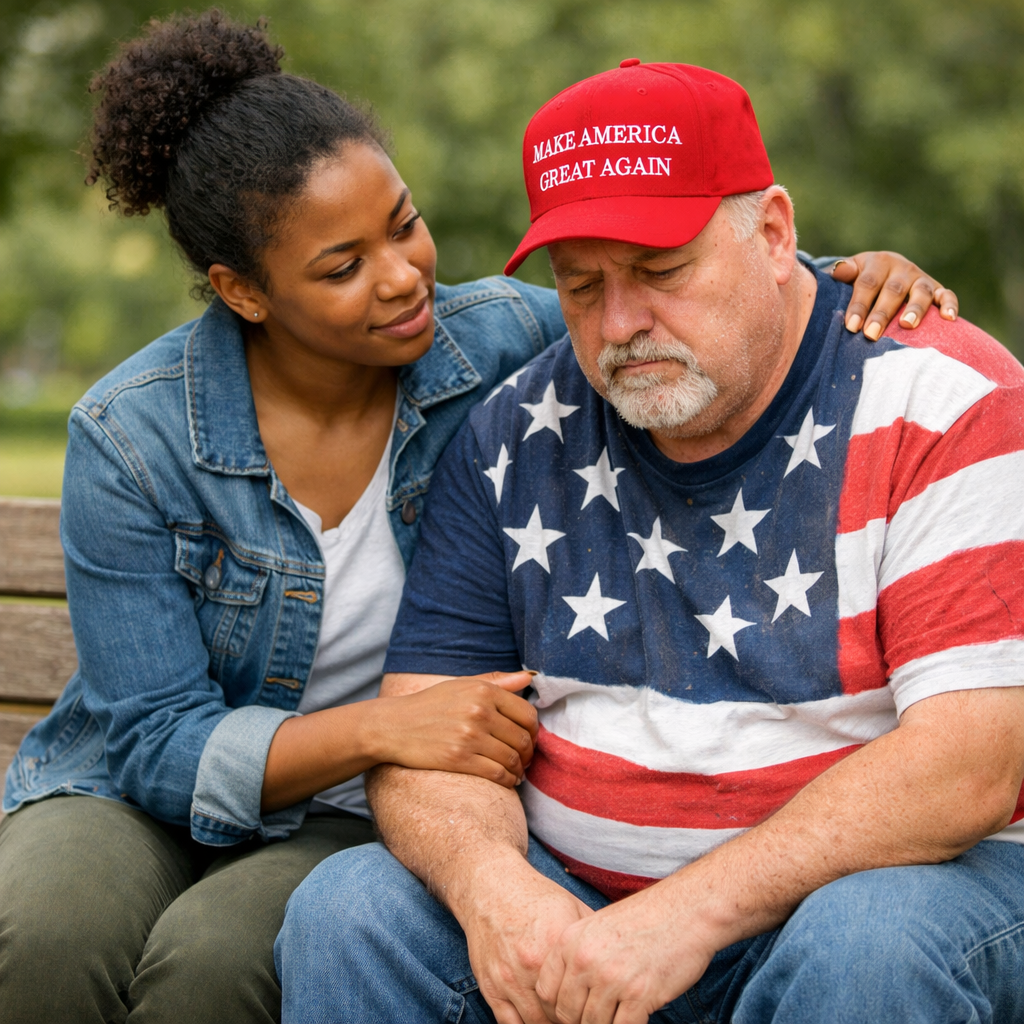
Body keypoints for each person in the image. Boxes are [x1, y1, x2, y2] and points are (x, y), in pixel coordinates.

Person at [0, 13, 950, 1020]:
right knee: (46, 929)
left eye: (402, 224)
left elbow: (666, 298)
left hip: (361, 808)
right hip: (146, 783)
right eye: (340, 267)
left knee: (217, 961)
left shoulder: (496, 339)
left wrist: (852, 271)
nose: (404, 275)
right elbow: (152, 738)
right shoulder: (133, 435)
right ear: (242, 291)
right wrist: (385, 727)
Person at [275, 60, 1024, 1024]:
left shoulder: (940, 399)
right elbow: (426, 739)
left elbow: (969, 764)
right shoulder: (515, 429)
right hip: (585, 907)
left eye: (663, 271)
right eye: (580, 286)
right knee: (350, 911)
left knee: (867, 948)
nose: (621, 323)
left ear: (775, 232)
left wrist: (686, 916)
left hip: (888, 901)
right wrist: (497, 894)